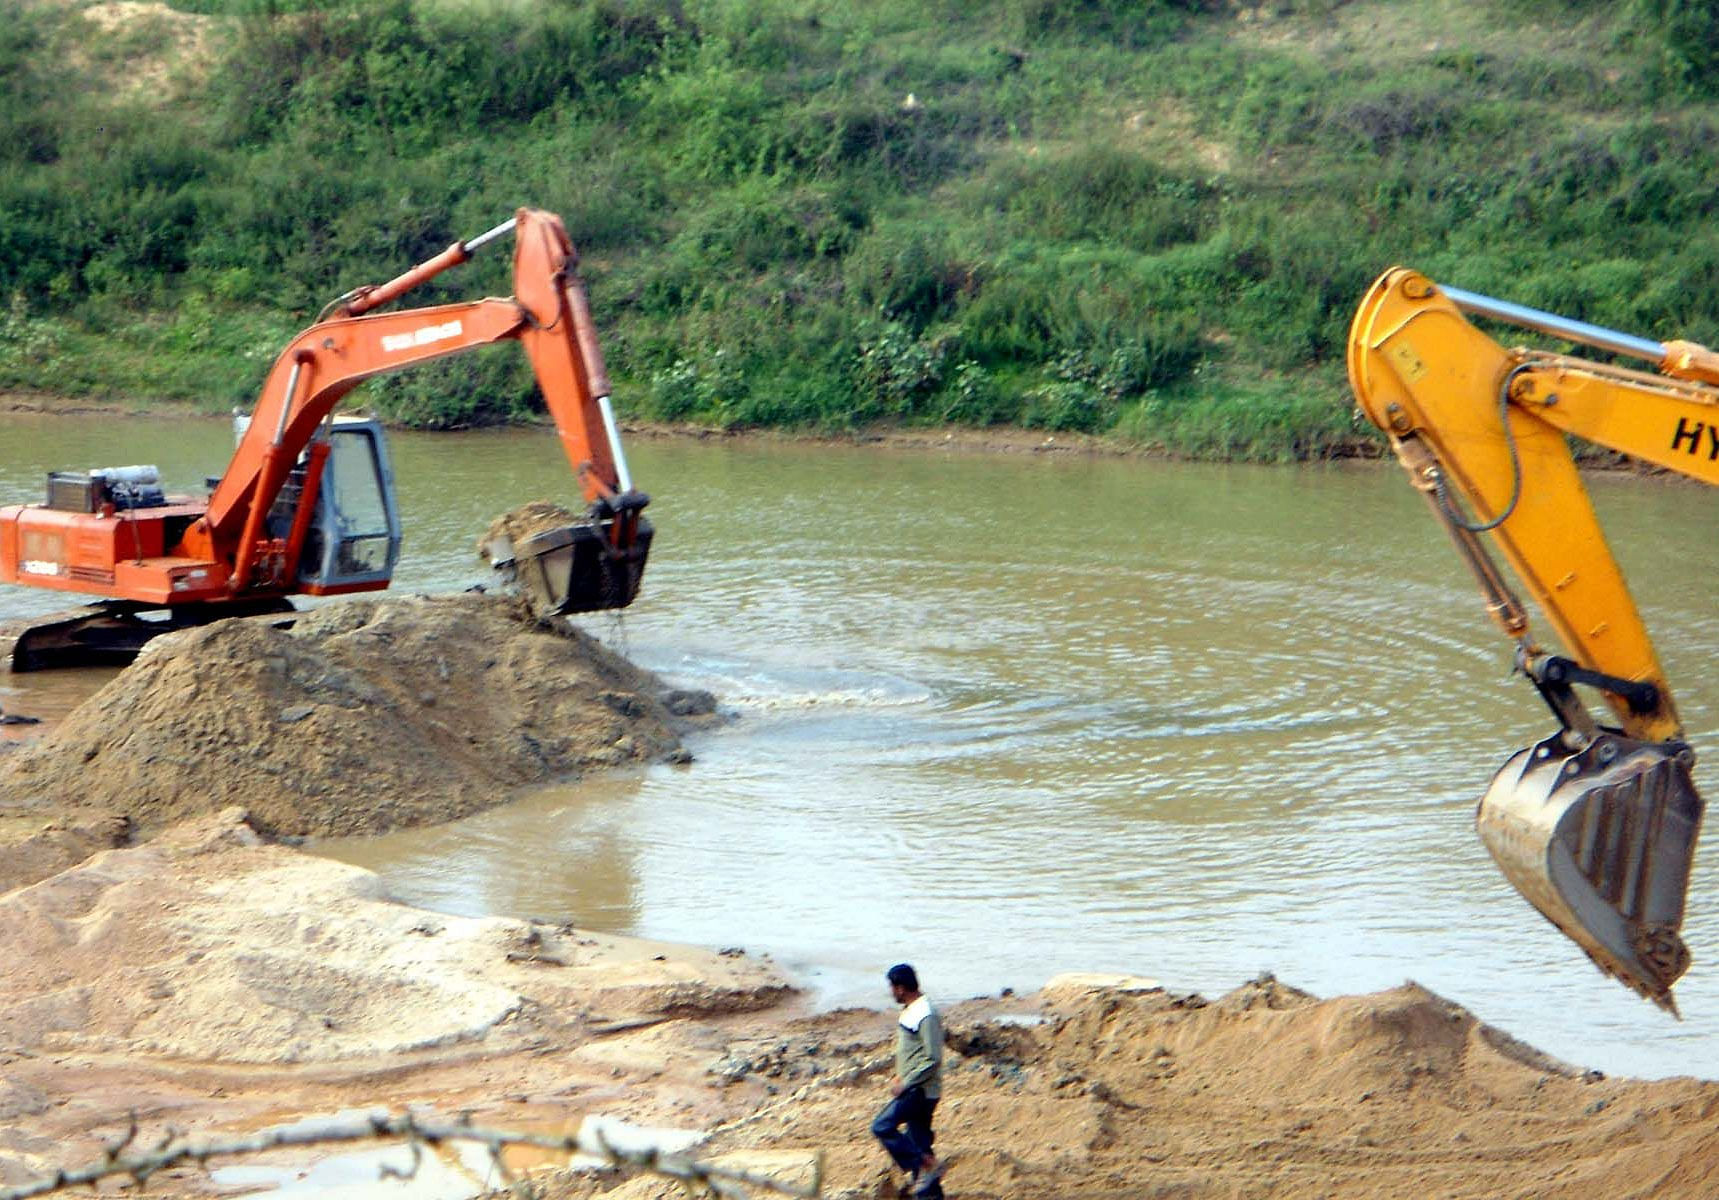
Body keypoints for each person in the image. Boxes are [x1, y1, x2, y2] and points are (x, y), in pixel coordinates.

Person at [871, 963, 944, 1198]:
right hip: (915, 1087)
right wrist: (901, 1072)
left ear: (901, 988)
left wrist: (907, 1081)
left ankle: (925, 1164)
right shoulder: (913, 1009)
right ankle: (929, 1190)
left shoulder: (926, 1014)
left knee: (882, 1126)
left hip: (920, 1091)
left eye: (892, 987)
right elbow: (914, 1051)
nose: (891, 992)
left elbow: (933, 1057)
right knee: (918, 1142)